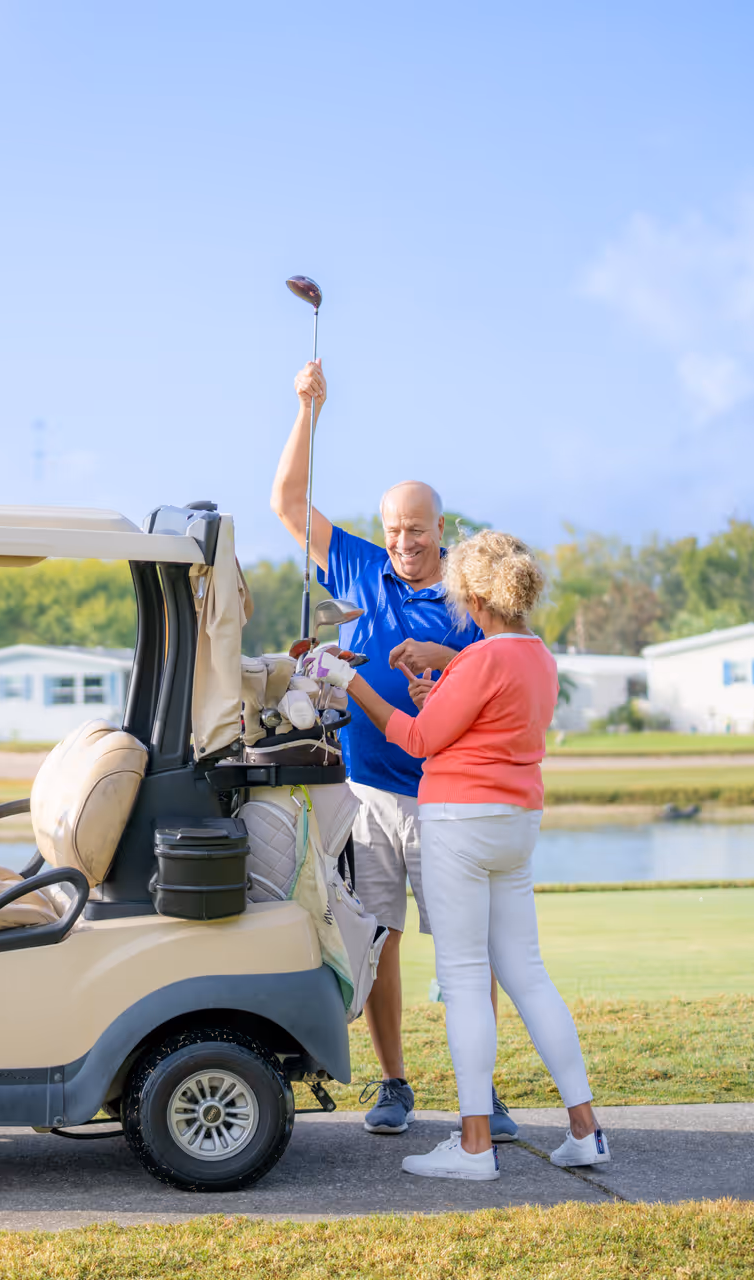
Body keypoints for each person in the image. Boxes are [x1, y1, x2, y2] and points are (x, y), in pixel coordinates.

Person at [308, 530, 607, 1181]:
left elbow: (415, 739)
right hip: (516, 822)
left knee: (467, 977)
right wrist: (438, 694)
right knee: (526, 971)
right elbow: (474, 724)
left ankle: (475, 1147)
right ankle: (586, 1130)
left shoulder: (479, 660)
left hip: (459, 823)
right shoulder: (538, 657)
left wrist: (347, 679)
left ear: (473, 596)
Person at [270, 360, 516, 1141]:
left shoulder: (471, 597)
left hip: (449, 799)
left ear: (442, 530)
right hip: (372, 794)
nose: (404, 542)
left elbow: (505, 683)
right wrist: (308, 409)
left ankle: (484, 1093)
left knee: (467, 956)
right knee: (378, 943)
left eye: (416, 529)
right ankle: (396, 1084)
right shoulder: (354, 565)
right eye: (393, 529)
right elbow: (285, 503)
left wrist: (442, 682)